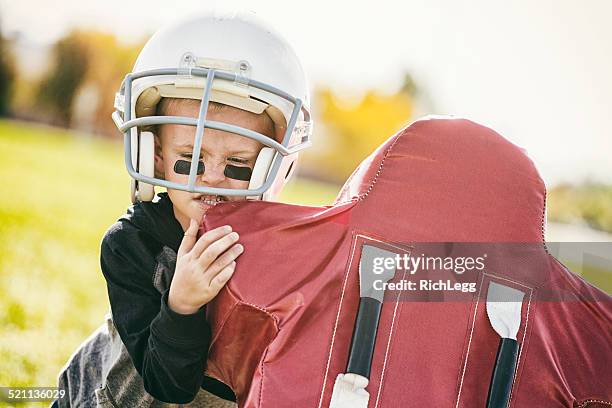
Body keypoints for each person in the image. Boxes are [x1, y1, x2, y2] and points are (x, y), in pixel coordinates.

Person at [54, 11, 312, 407]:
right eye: (191, 158)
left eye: (237, 164)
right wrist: (182, 305)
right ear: (154, 154)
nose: (211, 178)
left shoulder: (284, 257)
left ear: (274, 165)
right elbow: (167, 386)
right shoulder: (130, 246)